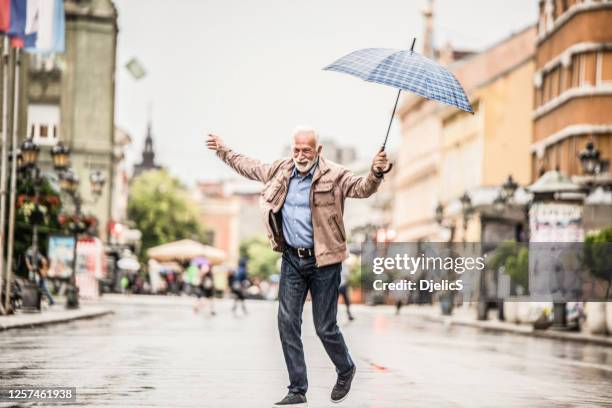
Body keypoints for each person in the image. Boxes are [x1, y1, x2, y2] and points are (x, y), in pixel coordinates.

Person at [207, 126, 388, 406]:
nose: (301, 155)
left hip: (325, 260)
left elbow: (362, 188)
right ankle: (297, 389)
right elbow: (249, 166)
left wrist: (376, 173)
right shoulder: (281, 170)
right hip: (292, 257)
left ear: (318, 151)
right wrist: (223, 151)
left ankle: (346, 368)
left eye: (306, 150)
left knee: (325, 327)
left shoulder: (336, 174)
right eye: (296, 150)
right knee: (287, 322)